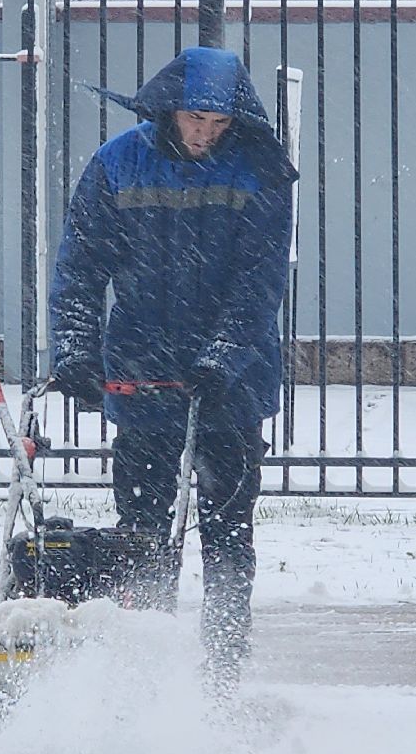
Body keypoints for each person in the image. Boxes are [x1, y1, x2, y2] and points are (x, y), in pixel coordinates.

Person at [48, 46, 298, 690]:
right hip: (141, 368)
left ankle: (222, 668)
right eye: (193, 119)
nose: (203, 134)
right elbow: (80, 268)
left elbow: (258, 285)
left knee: (226, 533)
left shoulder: (260, 172)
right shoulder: (117, 164)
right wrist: (75, 348)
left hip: (231, 383)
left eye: (217, 125)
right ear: (167, 109)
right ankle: (143, 665)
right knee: (141, 532)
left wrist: (221, 360)